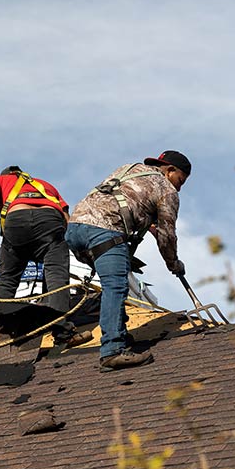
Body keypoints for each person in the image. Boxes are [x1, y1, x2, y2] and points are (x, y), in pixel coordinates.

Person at [65, 150, 190, 371]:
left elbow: (124, 201)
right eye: (181, 180)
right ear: (170, 170)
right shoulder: (167, 190)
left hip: (75, 230)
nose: (180, 187)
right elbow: (167, 235)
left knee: (114, 281)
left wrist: (147, 224)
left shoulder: (130, 169)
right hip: (104, 231)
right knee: (115, 286)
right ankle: (113, 350)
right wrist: (173, 263)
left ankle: (118, 332)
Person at [0, 166, 89, 347]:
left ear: (7, 175)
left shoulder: (2, 180)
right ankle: (63, 332)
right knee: (56, 277)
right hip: (50, 221)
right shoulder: (45, 185)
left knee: (7, 279)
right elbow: (65, 216)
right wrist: (74, 246)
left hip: (17, 222)